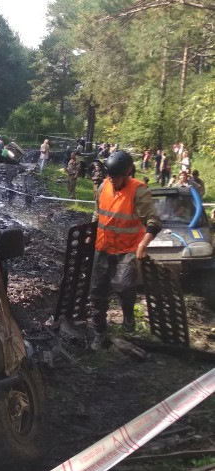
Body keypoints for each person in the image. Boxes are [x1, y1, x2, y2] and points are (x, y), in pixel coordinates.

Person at [89, 149, 162, 349]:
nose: (112, 180)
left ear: (127, 174)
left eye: (117, 177)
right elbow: (97, 213)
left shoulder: (139, 191)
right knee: (96, 293)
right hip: (103, 247)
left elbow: (154, 221)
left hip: (127, 249)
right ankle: (99, 332)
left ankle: (128, 314)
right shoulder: (103, 186)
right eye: (109, 175)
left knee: (123, 285)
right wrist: (91, 233)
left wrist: (143, 245)